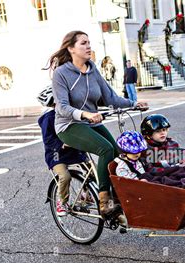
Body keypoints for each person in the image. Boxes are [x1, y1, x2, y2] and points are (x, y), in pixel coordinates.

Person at [45, 30, 148, 219]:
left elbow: (109, 98)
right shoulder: (61, 73)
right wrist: (84, 114)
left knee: (118, 152)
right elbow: (62, 108)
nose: (88, 46)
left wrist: (134, 104)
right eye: (83, 43)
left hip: (90, 123)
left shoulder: (92, 69)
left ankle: (120, 196)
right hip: (68, 125)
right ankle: (104, 201)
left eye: (89, 42)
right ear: (71, 48)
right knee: (105, 149)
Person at [37, 85, 87, 216]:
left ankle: (87, 194)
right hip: (56, 154)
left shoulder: (68, 111)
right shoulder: (48, 118)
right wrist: (62, 144)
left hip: (74, 149)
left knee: (91, 170)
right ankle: (62, 202)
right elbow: (48, 140)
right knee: (64, 176)